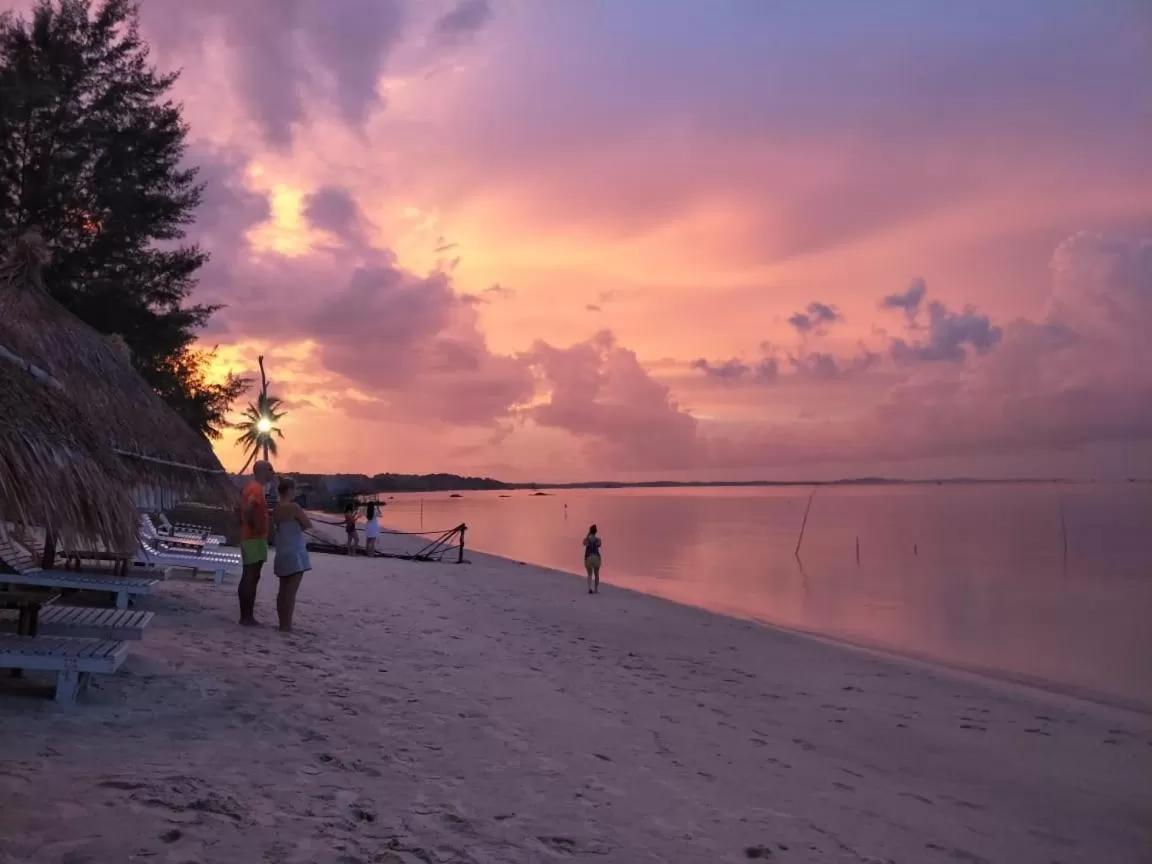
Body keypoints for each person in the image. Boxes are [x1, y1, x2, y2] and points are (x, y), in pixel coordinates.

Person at [237, 460, 275, 626]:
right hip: (254, 538)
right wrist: (255, 526)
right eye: (270, 469)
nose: (273, 473)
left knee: (250, 575)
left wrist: (244, 523)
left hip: (249, 537)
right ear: (262, 471)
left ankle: (246, 615)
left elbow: (237, 508)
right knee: (251, 576)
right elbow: (249, 508)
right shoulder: (257, 489)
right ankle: (246, 617)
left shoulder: (249, 487)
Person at [272, 477, 312, 632]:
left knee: (282, 589)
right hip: (295, 551)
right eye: (294, 489)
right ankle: (286, 624)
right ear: (289, 490)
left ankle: (282, 622)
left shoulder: (276, 509)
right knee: (291, 591)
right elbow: (307, 524)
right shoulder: (294, 507)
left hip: (282, 551)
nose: (296, 492)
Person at [583, 524, 602, 594]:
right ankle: (596, 589)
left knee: (589, 574)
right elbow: (599, 544)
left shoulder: (587, 539)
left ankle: (589, 588)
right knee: (596, 574)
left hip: (589, 557)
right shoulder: (598, 540)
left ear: (590, 531)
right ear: (596, 532)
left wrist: (588, 535)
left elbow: (584, 543)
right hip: (596, 557)